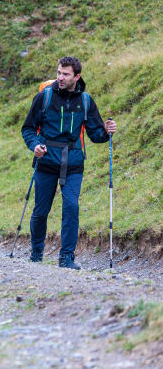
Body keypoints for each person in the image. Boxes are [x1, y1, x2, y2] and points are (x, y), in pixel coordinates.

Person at [21, 56, 117, 270]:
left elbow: (95, 134)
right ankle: (36, 251)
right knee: (40, 211)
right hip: (45, 161)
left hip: (73, 163)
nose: (60, 78)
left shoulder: (85, 101)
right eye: (58, 73)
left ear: (77, 76)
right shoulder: (44, 97)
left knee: (71, 207)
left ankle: (66, 258)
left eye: (65, 74)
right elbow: (28, 128)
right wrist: (35, 145)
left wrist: (107, 131)